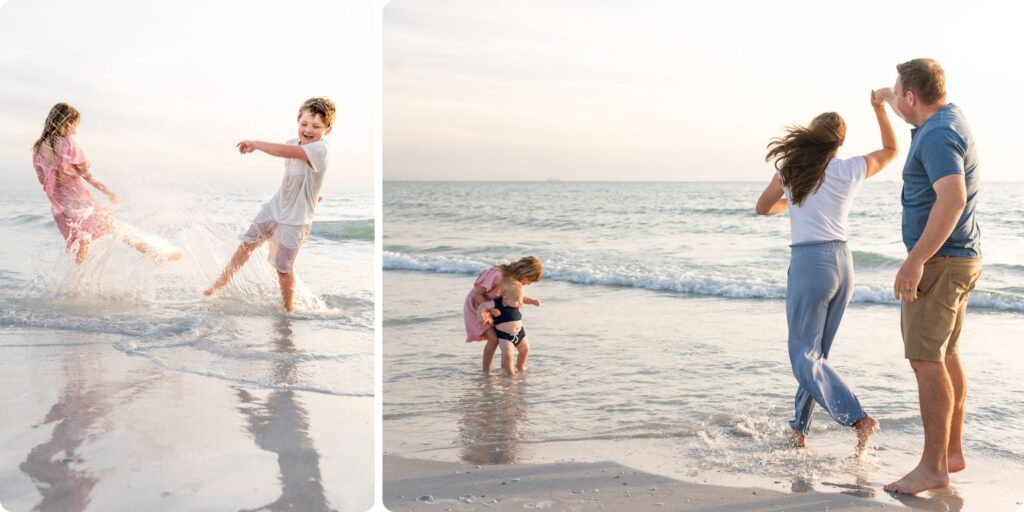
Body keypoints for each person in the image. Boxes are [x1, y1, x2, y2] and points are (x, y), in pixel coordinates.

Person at [756, 89, 898, 457]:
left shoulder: (790, 170)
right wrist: (878, 109)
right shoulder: (849, 168)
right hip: (843, 264)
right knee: (816, 356)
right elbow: (890, 150)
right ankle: (798, 431)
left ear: (810, 134)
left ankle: (857, 416)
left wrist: (792, 203)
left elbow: (762, 207)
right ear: (838, 143)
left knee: (804, 356)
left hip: (810, 264)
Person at [881, 59, 982, 496]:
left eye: (897, 90)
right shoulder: (945, 118)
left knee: (926, 360)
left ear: (912, 96)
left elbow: (953, 198)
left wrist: (915, 260)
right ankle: (951, 453)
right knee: (946, 354)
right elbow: (908, 113)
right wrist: (884, 99)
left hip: (940, 261)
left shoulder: (938, 133)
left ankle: (932, 468)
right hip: (960, 258)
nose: (894, 95)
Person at [203, 97, 335, 312]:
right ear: (298, 122)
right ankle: (217, 286)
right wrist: (314, 195)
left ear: (327, 129)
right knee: (247, 244)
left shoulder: (321, 149)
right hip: (275, 207)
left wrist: (255, 144)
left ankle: (288, 310)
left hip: (296, 219)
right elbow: (297, 175)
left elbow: (285, 152)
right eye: (304, 124)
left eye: (316, 126)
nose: (308, 130)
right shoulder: (293, 141)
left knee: (283, 268)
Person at [32, 103, 182, 264]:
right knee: (117, 228)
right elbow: (87, 175)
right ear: (66, 123)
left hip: (61, 206)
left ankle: (76, 283)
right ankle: (156, 253)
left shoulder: (38, 148)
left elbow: (42, 180)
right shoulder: (68, 143)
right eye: (75, 125)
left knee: (80, 242)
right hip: (79, 202)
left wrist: (57, 174)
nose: (75, 130)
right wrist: (108, 192)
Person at [463, 256, 542, 373]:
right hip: (477, 306)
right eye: (530, 279)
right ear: (524, 272)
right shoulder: (497, 275)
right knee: (493, 339)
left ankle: (504, 369)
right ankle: (486, 372)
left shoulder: (512, 282)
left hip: (494, 307)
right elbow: (477, 294)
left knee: (503, 339)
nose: (529, 283)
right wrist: (488, 311)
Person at [476, 279, 535, 376]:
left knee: (525, 349)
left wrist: (533, 301)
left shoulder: (515, 301)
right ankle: (510, 373)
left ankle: (520, 366)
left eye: (520, 299)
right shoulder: (497, 303)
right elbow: (483, 305)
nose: (520, 302)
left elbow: (524, 299)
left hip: (520, 334)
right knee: (508, 354)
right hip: (505, 336)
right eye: (517, 300)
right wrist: (481, 316)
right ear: (506, 298)